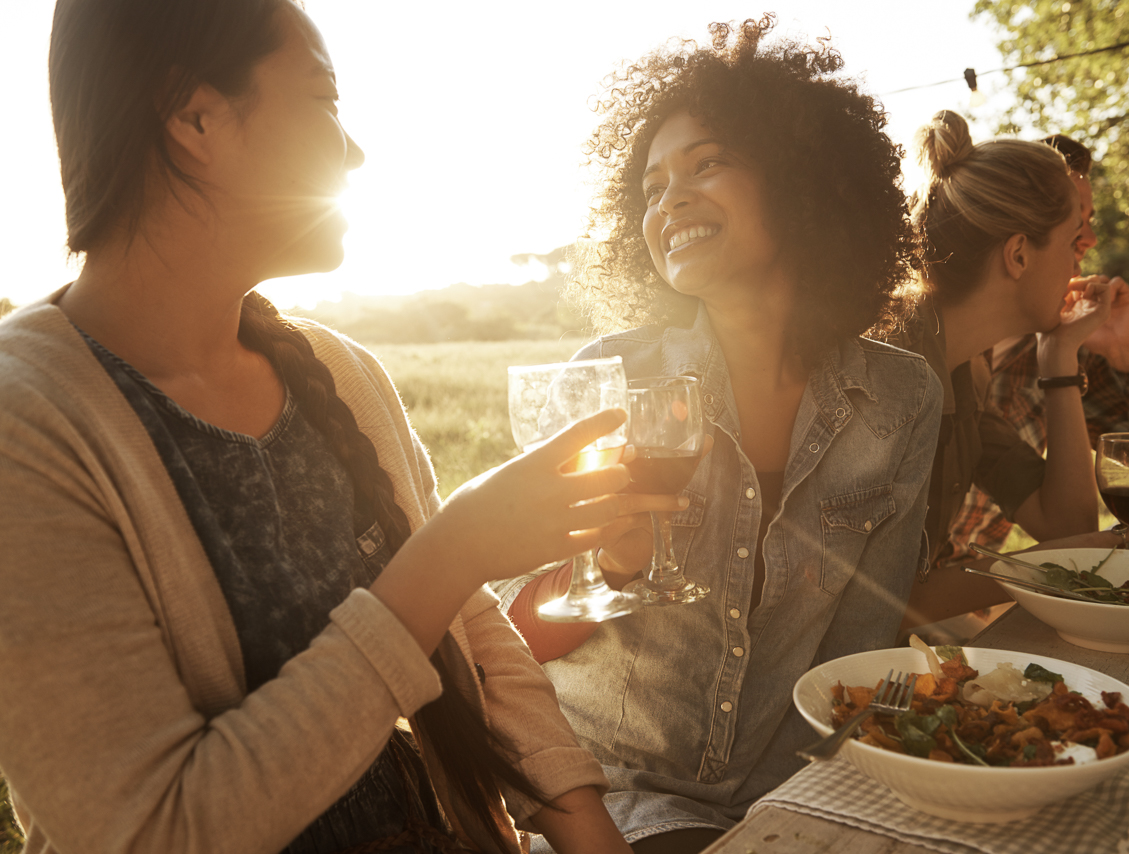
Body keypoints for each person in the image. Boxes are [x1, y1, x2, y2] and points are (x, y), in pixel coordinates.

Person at [0, 1, 676, 852]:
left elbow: (469, 634)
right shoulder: (26, 420)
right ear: (194, 116)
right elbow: (149, 830)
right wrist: (452, 550)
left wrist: (583, 830)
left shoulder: (337, 372)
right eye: (324, 100)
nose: (355, 150)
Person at [492, 16, 942, 852]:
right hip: (611, 796)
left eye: (707, 164)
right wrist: (608, 563)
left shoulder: (903, 395)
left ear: (803, 179)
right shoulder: (609, 379)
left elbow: (861, 649)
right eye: (653, 186)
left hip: (795, 791)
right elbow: (504, 642)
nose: (671, 201)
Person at [893, 110, 1129, 633]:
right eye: (1069, 241)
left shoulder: (962, 369)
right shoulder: (893, 374)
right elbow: (866, 603)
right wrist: (1042, 568)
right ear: (1018, 254)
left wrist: (1058, 357)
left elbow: (1065, 524)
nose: (1076, 262)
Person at [937, 133, 1129, 569]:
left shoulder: (975, 375)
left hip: (942, 604)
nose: (1089, 241)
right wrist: (1036, 567)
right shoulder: (912, 369)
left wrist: (1122, 358)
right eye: (1074, 227)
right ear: (1019, 252)